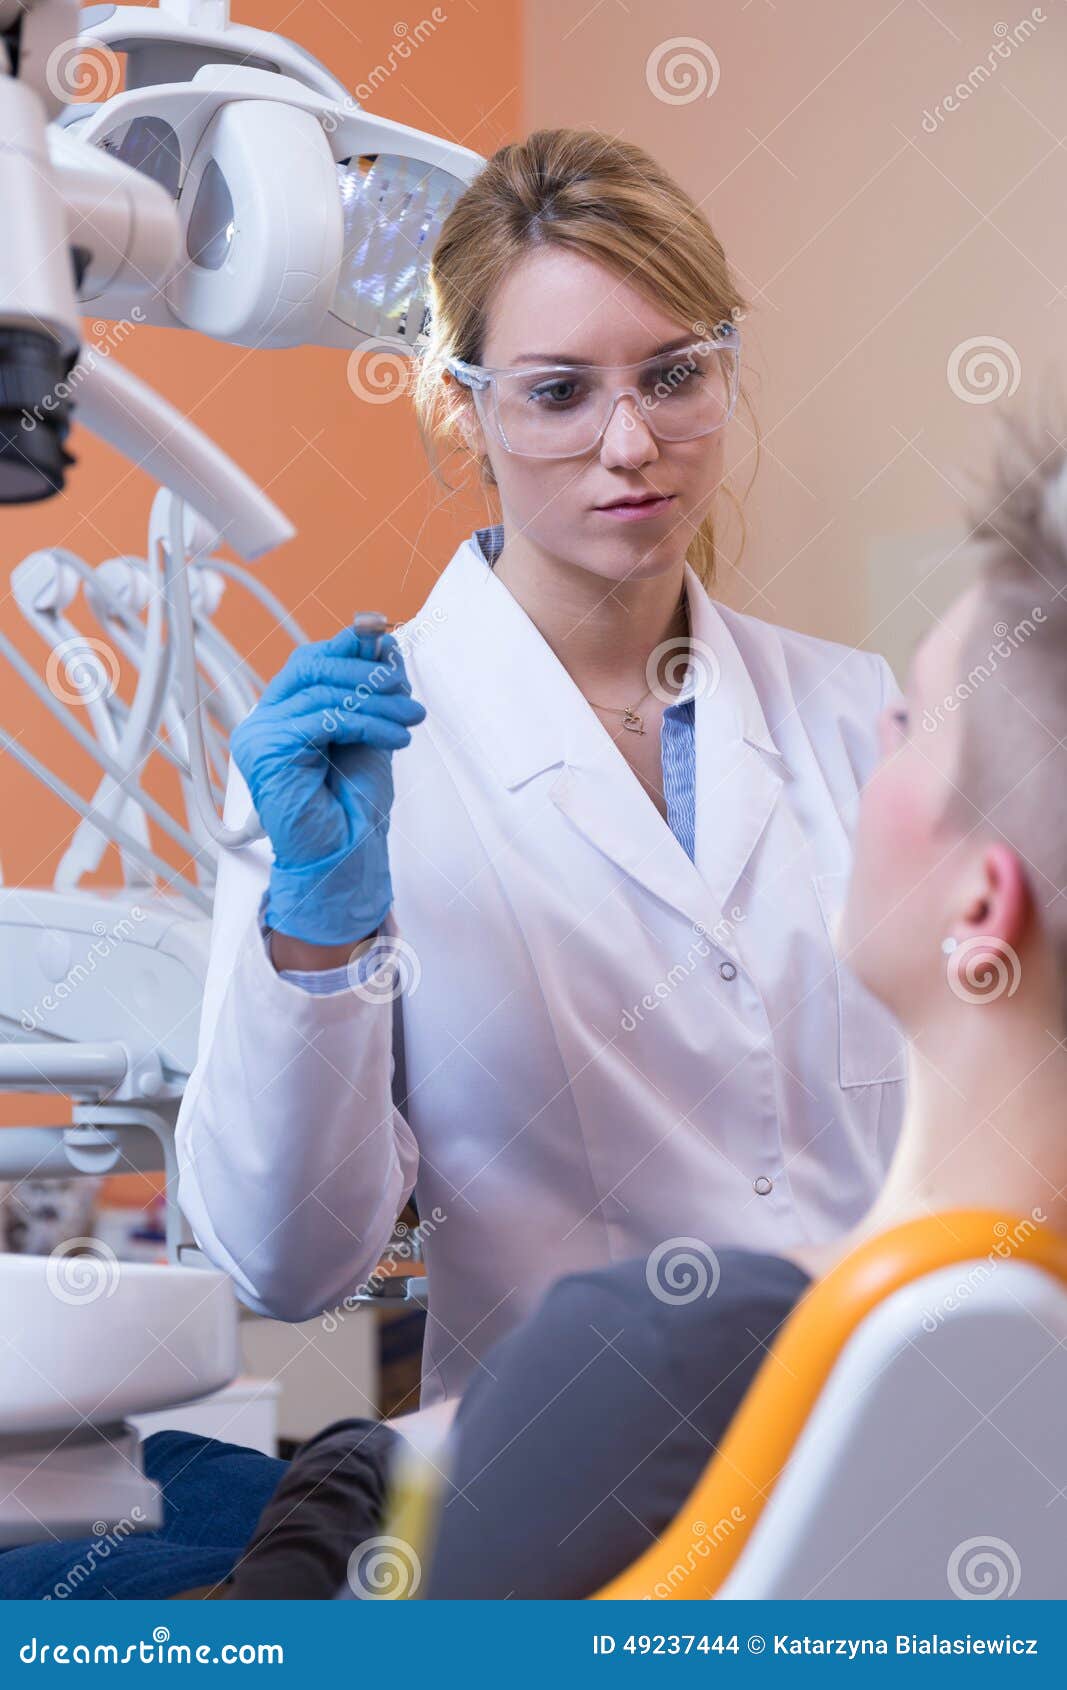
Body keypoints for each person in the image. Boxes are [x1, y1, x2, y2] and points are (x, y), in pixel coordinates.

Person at [174, 126, 907, 1416]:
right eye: (560, 391)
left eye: (674, 375)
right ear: (462, 405)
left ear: (725, 374)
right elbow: (283, 1263)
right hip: (577, 1501)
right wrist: (319, 931)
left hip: (888, 1453)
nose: (631, 444)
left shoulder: (858, 716)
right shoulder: (361, 764)